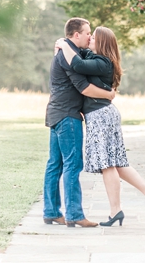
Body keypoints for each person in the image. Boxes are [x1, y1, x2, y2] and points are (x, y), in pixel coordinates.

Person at [55, 26, 145, 226]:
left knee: (108, 165)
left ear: (102, 42)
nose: (90, 39)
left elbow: (77, 64)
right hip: (105, 114)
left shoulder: (102, 62)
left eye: (94, 37)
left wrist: (62, 43)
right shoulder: (96, 58)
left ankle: (116, 211)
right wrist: (65, 44)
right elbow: (80, 53)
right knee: (118, 163)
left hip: (100, 116)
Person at [43, 18, 117, 228]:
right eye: (87, 33)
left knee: (54, 165)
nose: (89, 37)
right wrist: (109, 95)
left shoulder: (64, 52)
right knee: (72, 164)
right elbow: (83, 87)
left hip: (55, 113)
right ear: (76, 35)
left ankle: (51, 212)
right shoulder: (69, 56)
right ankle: (74, 214)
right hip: (67, 116)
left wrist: (62, 43)